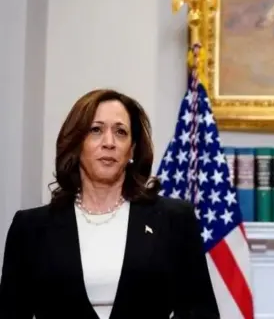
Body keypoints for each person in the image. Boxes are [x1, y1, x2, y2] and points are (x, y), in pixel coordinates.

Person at [0, 89, 220, 318]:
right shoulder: (30, 228)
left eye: (121, 132)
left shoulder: (174, 219)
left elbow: (201, 312)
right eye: (96, 130)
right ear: (76, 143)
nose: (109, 142)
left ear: (132, 149)